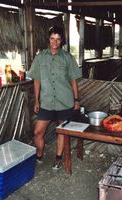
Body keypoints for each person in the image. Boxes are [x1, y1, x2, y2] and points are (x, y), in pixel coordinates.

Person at [27, 26, 82, 170]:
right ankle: (39, 154)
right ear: (48, 39)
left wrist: (76, 100)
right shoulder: (40, 57)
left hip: (65, 101)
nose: (55, 42)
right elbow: (37, 80)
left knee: (62, 131)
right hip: (46, 102)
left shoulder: (67, 58)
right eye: (52, 39)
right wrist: (37, 100)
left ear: (61, 41)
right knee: (38, 132)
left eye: (58, 39)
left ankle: (58, 157)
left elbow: (73, 80)